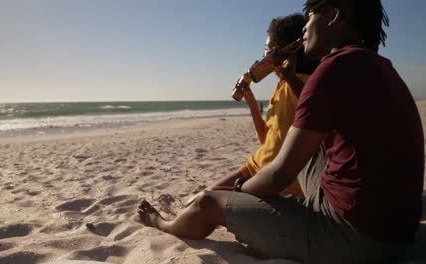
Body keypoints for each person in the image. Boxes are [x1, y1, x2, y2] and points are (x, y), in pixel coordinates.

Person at [138, 0, 425, 263]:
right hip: (397, 231)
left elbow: (278, 175)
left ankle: (160, 223)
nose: (305, 28)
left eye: (311, 16)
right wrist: (289, 79)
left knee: (207, 202)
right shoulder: (379, 65)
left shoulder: (332, 69)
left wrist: (239, 193)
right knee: (307, 150)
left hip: (356, 241)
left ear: (334, 16)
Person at [206, 13, 319, 199]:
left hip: (274, 180)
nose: (262, 56)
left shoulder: (300, 85)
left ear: (280, 52)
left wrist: (290, 79)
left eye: (266, 49)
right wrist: (250, 100)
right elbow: (266, 138)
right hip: (255, 165)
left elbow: (316, 106)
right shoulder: (282, 86)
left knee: (205, 201)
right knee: (203, 196)